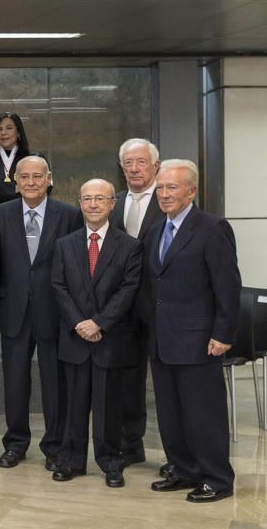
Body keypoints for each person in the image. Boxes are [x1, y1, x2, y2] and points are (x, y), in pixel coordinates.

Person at [147, 159, 241, 503]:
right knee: (171, 414)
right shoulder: (157, 229)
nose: (164, 194)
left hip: (200, 340)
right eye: (160, 187)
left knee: (204, 414)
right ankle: (184, 470)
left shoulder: (212, 228)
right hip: (162, 339)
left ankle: (217, 478)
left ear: (192, 190)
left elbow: (228, 286)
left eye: (172, 187)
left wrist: (223, 333)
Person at [0, 156, 83, 472]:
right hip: (12, 310)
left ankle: (54, 446)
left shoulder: (69, 215)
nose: (31, 182)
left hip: (55, 312)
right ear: (15, 181)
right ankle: (15, 444)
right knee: (14, 382)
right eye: (24, 177)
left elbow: (76, 268)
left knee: (55, 384)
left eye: (37, 176)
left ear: (49, 179)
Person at [50, 179, 142, 488]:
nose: (93, 204)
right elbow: (58, 287)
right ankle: (71, 461)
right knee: (73, 404)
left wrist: (99, 322)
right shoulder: (64, 244)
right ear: (80, 202)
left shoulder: (129, 245)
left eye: (100, 199)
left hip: (110, 338)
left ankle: (110, 462)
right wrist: (79, 322)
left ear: (111, 204)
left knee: (108, 406)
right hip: (74, 337)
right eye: (87, 198)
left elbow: (128, 290)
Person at [109, 138, 164, 466]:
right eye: (128, 163)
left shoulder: (167, 199)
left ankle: (178, 452)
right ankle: (130, 445)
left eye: (141, 162)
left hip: (159, 307)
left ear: (155, 166)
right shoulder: (112, 203)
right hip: (122, 310)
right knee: (127, 381)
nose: (134, 169)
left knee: (166, 381)